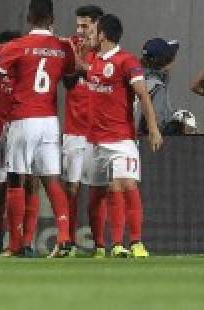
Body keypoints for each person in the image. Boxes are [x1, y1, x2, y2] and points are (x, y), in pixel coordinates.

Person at [0, 0, 77, 258]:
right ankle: (64, 237)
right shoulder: (63, 47)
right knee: (50, 179)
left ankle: (15, 245)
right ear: (52, 19)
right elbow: (72, 77)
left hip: (23, 120)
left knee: (16, 179)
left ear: (28, 18)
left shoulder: (17, 46)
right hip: (50, 121)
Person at [82, 14, 163, 258]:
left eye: (93, 31)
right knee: (98, 194)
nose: (90, 35)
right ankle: (102, 246)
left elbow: (144, 96)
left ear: (103, 35)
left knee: (124, 184)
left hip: (121, 139)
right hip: (94, 140)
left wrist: (153, 128)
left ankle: (133, 243)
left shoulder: (126, 61)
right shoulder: (94, 59)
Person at [62, 4, 102, 258]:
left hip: (99, 131)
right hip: (74, 130)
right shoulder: (72, 47)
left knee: (99, 190)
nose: (80, 30)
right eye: (78, 25)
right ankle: (69, 242)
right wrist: (75, 60)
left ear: (98, 26)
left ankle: (99, 245)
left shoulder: (107, 52)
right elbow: (67, 82)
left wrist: (83, 64)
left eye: (85, 25)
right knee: (72, 188)